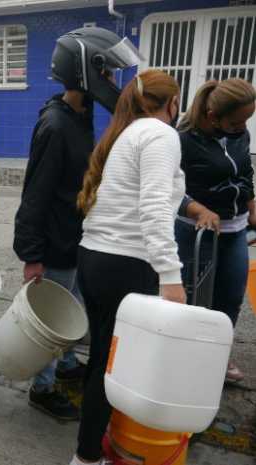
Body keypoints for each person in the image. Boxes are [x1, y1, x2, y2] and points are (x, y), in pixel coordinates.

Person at [14, 27, 142, 422]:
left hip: (74, 238)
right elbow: (34, 193)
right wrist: (32, 255)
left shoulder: (80, 115)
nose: (111, 83)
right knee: (53, 319)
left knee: (74, 310)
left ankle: (68, 364)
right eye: (105, 74)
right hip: (52, 243)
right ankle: (42, 387)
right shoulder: (55, 125)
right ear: (86, 71)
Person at [70, 69, 186, 465]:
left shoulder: (127, 132)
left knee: (103, 355)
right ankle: (86, 456)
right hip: (125, 263)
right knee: (112, 363)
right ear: (172, 102)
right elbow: (154, 208)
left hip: (96, 256)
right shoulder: (160, 134)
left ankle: (92, 444)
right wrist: (171, 276)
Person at [176, 78, 256, 383]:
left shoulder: (239, 133)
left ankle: (217, 357)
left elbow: (245, 172)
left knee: (230, 298)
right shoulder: (182, 139)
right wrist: (198, 208)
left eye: (247, 120)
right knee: (197, 301)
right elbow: (170, 190)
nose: (243, 127)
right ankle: (187, 364)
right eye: (237, 121)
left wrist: (251, 205)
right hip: (197, 232)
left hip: (235, 229)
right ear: (213, 116)